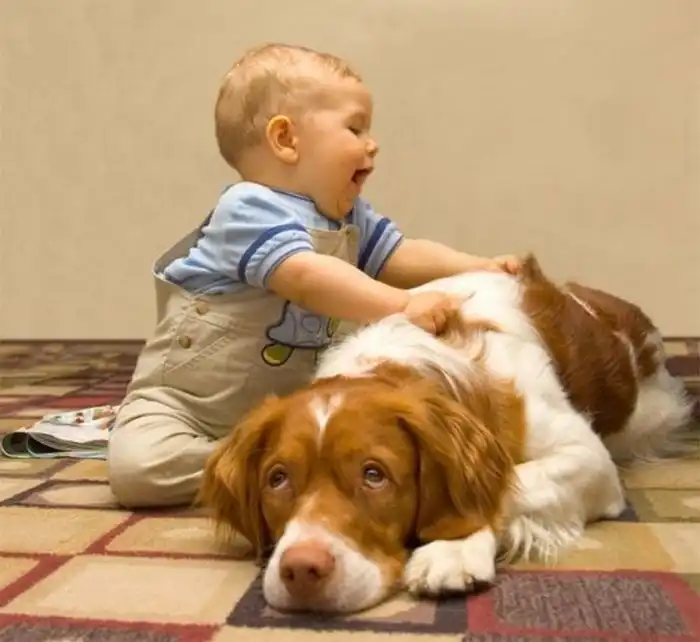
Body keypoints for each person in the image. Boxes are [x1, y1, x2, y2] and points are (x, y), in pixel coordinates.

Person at [107, 43, 519, 508]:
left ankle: (283, 465)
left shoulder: (347, 216)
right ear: (286, 139)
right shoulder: (246, 208)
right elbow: (303, 276)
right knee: (138, 470)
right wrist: (401, 305)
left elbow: (400, 253)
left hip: (289, 410)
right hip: (188, 407)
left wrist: (477, 265)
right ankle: (252, 465)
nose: (372, 143)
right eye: (355, 128)